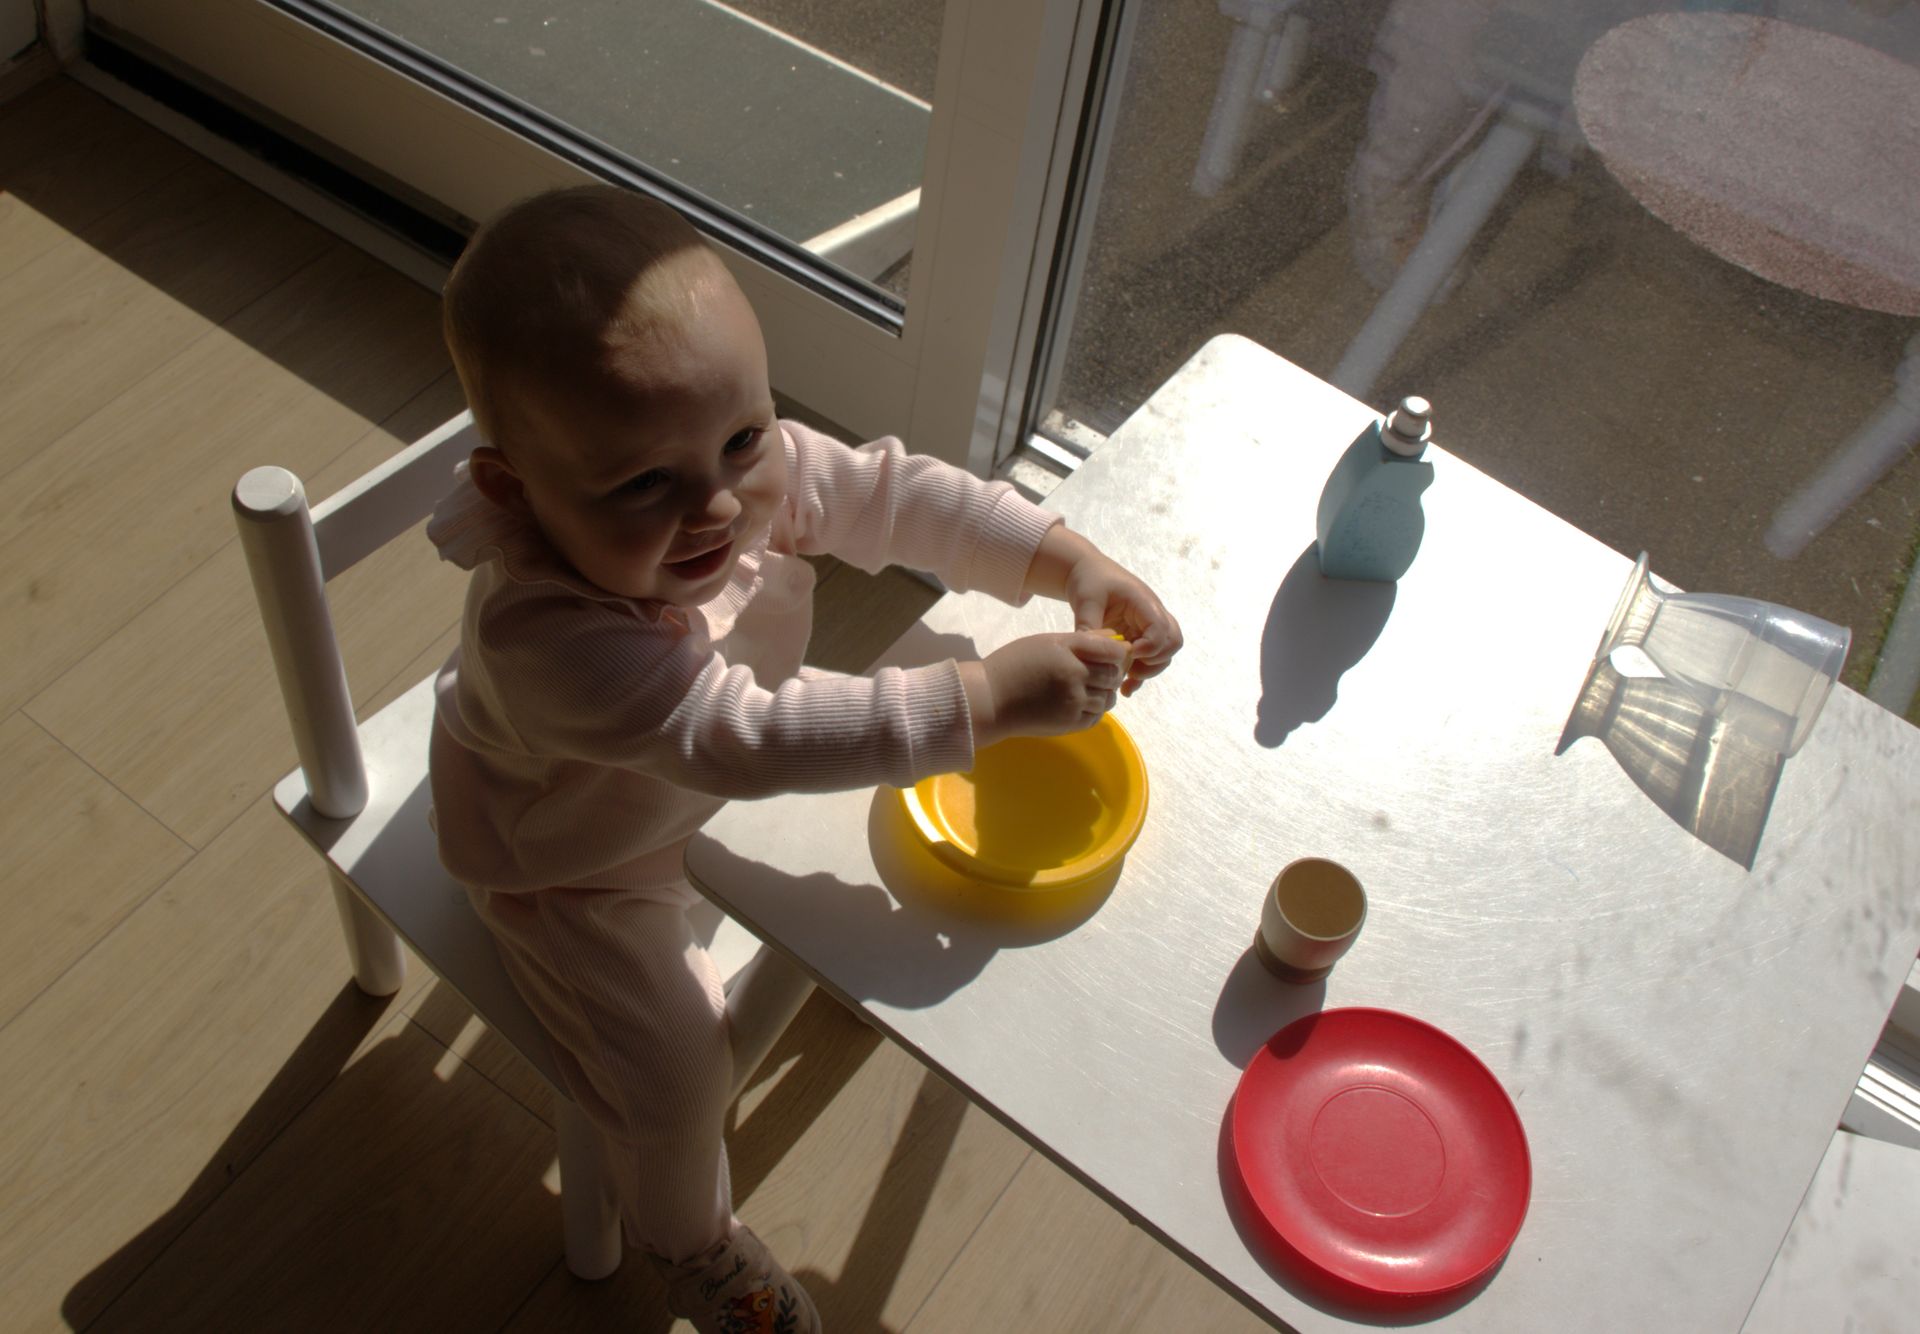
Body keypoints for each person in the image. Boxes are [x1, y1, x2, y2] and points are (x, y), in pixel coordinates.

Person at [425, 183, 1182, 1333]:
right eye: (644, 483)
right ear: (514, 488)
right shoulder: (550, 641)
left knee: (867, 846)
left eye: (742, 435)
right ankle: (687, 1239)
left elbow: (894, 496)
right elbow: (742, 736)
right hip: (570, 861)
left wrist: (1061, 557)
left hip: (691, 805)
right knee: (679, 1071)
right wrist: (983, 697)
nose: (719, 503)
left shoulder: (733, 474)